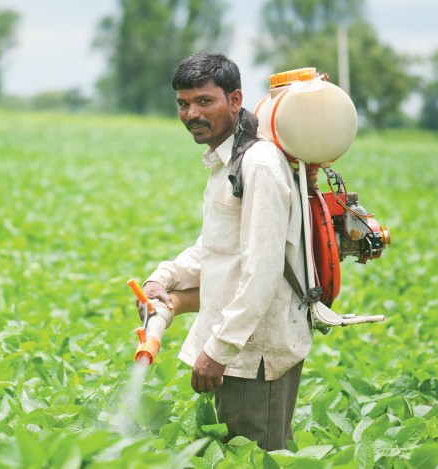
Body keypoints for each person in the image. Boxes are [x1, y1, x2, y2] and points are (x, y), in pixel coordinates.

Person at [140, 52, 313, 450]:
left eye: (205, 101)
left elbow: (263, 272)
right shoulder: (228, 160)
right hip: (238, 348)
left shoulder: (259, 166)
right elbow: (215, 249)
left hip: (255, 355)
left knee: (260, 455)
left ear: (235, 100)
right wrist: (162, 279)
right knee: (241, 453)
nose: (191, 114)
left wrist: (217, 351)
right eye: (183, 104)